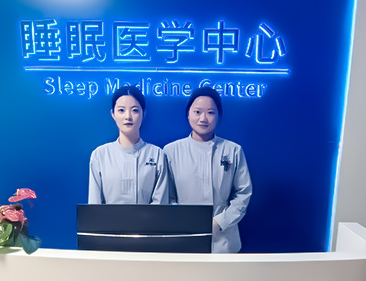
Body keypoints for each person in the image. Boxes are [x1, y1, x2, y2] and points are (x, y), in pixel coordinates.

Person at [164, 86, 252, 253]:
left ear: (219, 116)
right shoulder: (171, 151)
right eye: (197, 112)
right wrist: (183, 222)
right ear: (188, 114)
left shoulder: (233, 150)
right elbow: (167, 196)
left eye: (210, 113)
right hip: (184, 236)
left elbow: (243, 193)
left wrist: (219, 222)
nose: (203, 118)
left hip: (224, 240)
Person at [88, 85, 169, 204]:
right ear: (113, 114)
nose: (128, 117)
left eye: (135, 110)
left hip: (149, 218)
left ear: (143, 114)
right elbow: (94, 205)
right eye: (121, 110)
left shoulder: (157, 155)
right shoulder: (100, 155)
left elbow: (160, 204)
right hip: (108, 218)